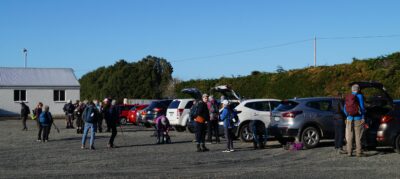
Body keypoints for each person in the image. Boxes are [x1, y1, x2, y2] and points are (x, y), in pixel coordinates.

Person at [343, 84, 366, 157]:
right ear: (358, 89)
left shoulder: (348, 97)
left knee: (349, 136)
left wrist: (348, 115)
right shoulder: (360, 96)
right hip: (358, 119)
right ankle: (358, 153)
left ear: (352, 90)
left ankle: (349, 152)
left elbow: (344, 109)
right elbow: (362, 107)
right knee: (358, 136)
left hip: (349, 119)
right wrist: (363, 117)